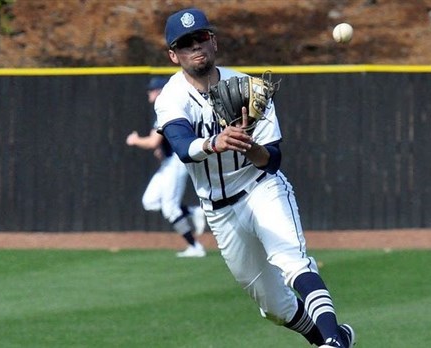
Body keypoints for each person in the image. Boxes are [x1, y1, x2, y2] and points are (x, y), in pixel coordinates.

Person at [154, 8, 356, 347]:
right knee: (275, 306)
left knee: (293, 261)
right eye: (185, 43)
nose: (196, 47)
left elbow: (272, 159)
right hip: (218, 210)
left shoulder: (249, 87)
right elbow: (181, 146)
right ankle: (337, 339)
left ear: (213, 41)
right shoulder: (171, 97)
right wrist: (215, 141)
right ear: (174, 55)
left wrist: (250, 146)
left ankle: (332, 342)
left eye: (201, 37)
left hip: (260, 188)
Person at [126, 76, 207, 258]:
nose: (150, 92)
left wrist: (135, 140)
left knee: (170, 208)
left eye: (153, 90)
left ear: (161, 91)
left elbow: (153, 142)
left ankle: (195, 247)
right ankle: (193, 211)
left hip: (176, 163)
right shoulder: (161, 110)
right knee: (150, 201)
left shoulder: (167, 109)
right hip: (168, 163)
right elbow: (160, 142)